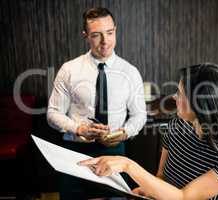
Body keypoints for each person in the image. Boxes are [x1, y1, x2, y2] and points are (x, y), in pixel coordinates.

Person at [79, 63, 218, 200]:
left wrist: (128, 165)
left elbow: (184, 197)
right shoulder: (177, 125)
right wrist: (147, 191)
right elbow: (161, 176)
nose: (174, 97)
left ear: (201, 104)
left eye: (180, 93)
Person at [47, 7, 146, 199]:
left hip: (114, 150)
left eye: (110, 33)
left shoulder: (130, 72)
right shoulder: (69, 70)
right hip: (75, 151)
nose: (105, 41)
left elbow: (139, 115)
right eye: (96, 35)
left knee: (115, 198)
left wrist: (125, 132)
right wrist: (79, 129)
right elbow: (52, 114)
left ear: (115, 29)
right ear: (85, 35)